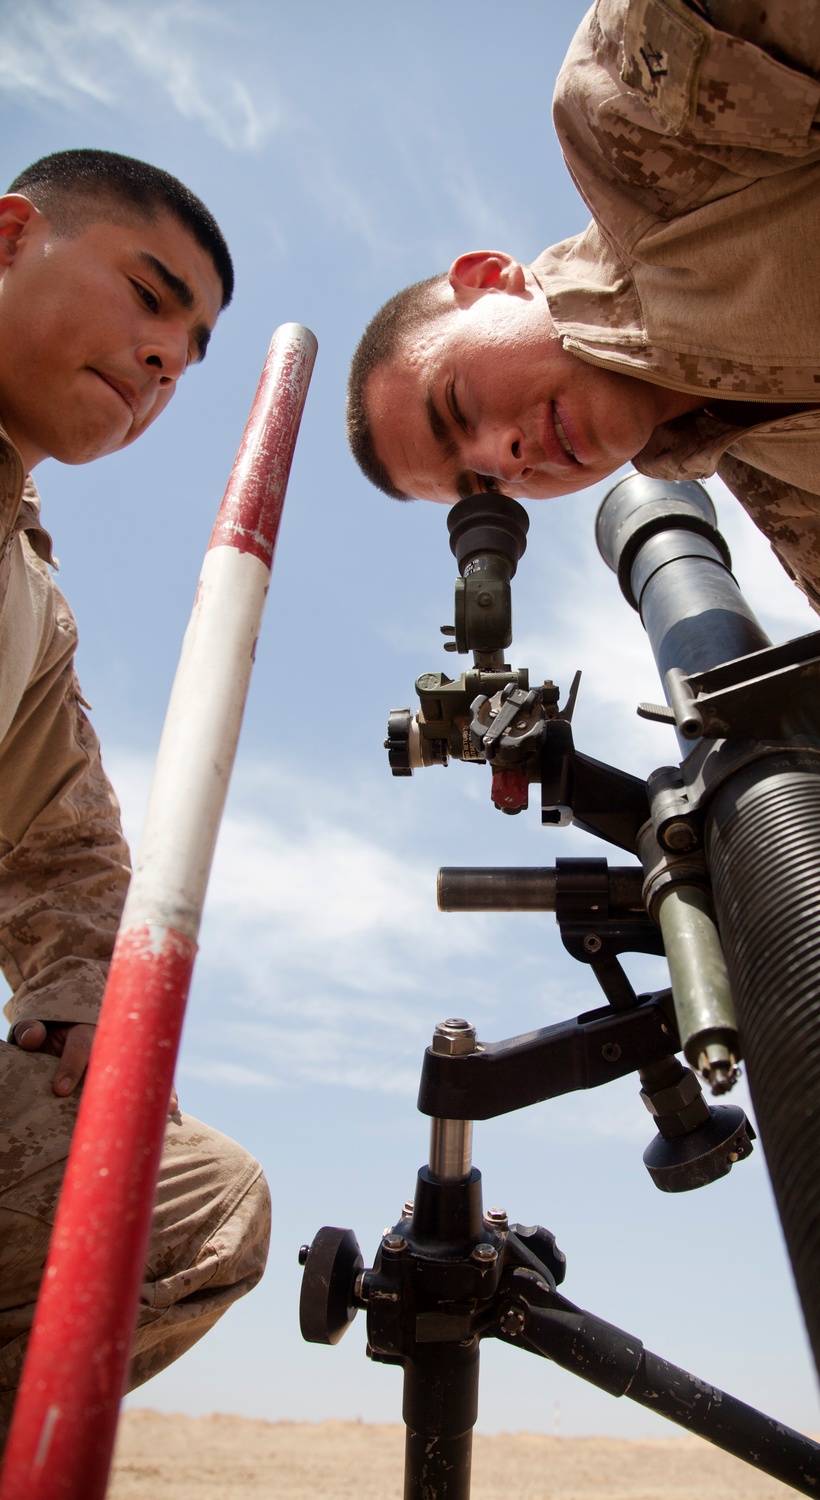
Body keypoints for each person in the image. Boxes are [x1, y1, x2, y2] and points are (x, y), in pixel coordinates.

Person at [347, 0, 820, 753]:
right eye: (487, 486)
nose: (507, 458)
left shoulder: (634, 132)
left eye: (457, 406)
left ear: (491, 277)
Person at [0, 149, 270, 1442]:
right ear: (9, 237)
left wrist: (75, 1007)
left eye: (192, 351)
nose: (166, 361)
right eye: (147, 298)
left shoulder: (25, 612)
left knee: (196, 1203)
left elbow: (59, 844)